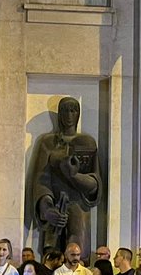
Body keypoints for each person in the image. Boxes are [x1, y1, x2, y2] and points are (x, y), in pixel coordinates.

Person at [29, 96, 102, 257]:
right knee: (52, 255)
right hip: (55, 202)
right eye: (65, 111)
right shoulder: (48, 142)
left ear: (78, 114)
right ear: (59, 114)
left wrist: (74, 176)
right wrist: (47, 209)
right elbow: (41, 180)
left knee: (79, 253)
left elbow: (95, 184)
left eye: (73, 111)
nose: (69, 115)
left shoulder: (87, 142)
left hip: (79, 204)